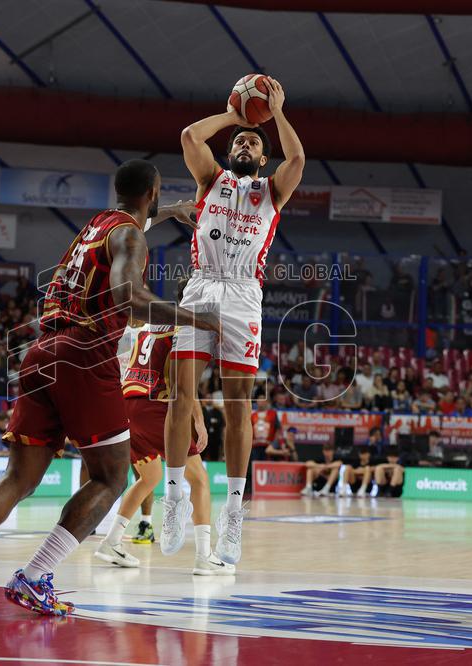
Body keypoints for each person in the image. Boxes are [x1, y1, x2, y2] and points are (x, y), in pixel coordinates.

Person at [0, 159, 218, 616]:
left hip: (40, 352)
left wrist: (172, 211)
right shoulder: (131, 236)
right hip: (85, 353)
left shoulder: (97, 225)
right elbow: (131, 298)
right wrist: (198, 319)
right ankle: (35, 576)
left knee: (18, 478)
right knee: (110, 476)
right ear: (155, 190)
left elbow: (135, 223)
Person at [164, 77, 304, 566]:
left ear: (263, 158)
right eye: (240, 142)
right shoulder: (210, 181)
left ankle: (234, 517)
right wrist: (234, 114)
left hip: (245, 296)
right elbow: (188, 137)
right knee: (182, 393)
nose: (245, 144)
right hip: (202, 286)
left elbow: (299, 161)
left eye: (253, 142)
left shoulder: (272, 191)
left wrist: (276, 114)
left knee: (237, 408)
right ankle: (174, 492)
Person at [94, 314, 235, 576]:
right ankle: (204, 555)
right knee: (200, 480)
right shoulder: (185, 330)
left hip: (128, 403)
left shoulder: (149, 326)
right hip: (154, 407)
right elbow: (181, 383)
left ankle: (111, 541)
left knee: (149, 477)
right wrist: (199, 420)